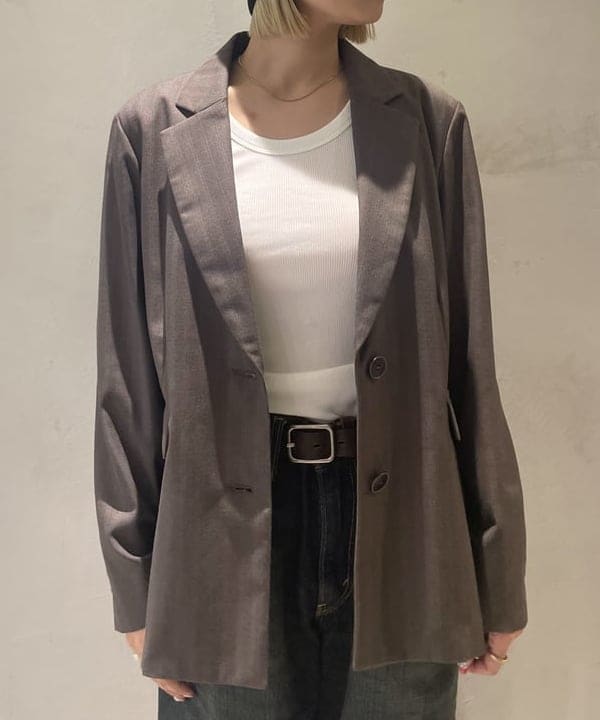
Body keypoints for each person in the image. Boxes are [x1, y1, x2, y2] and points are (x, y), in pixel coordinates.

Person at [94, 1, 528, 718]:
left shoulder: (427, 122)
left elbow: (470, 367)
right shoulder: (152, 130)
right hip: (216, 539)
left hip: (407, 527)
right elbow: (127, 379)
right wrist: (135, 585)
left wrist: (498, 570)